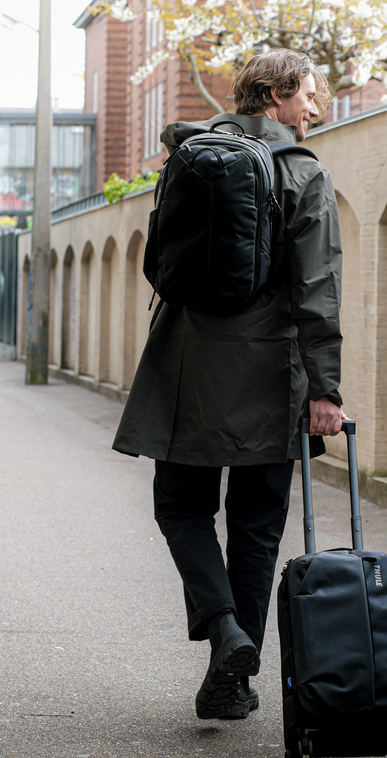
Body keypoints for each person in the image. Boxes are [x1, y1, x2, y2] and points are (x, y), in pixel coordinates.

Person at [113, 50, 346, 719]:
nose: (315, 106)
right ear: (273, 95)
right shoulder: (302, 172)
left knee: (179, 504)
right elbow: (317, 289)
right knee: (255, 525)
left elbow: (160, 264)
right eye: (307, 94)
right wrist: (325, 387)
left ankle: (224, 633)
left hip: (186, 359)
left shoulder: (187, 156)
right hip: (272, 369)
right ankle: (234, 670)